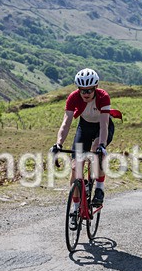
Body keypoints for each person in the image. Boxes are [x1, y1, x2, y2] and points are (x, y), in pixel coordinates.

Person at [50, 68, 122, 211]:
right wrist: (58, 143)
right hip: (84, 127)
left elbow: (104, 125)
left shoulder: (103, 97)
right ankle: (76, 209)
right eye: (82, 90)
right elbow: (66, 123)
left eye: (89, 90)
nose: (86, 94)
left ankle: (99, 188)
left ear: (95, 87)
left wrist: (102, 145)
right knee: (76, 167)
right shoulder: (73, 97)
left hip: (101, 129)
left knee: (96, 151)